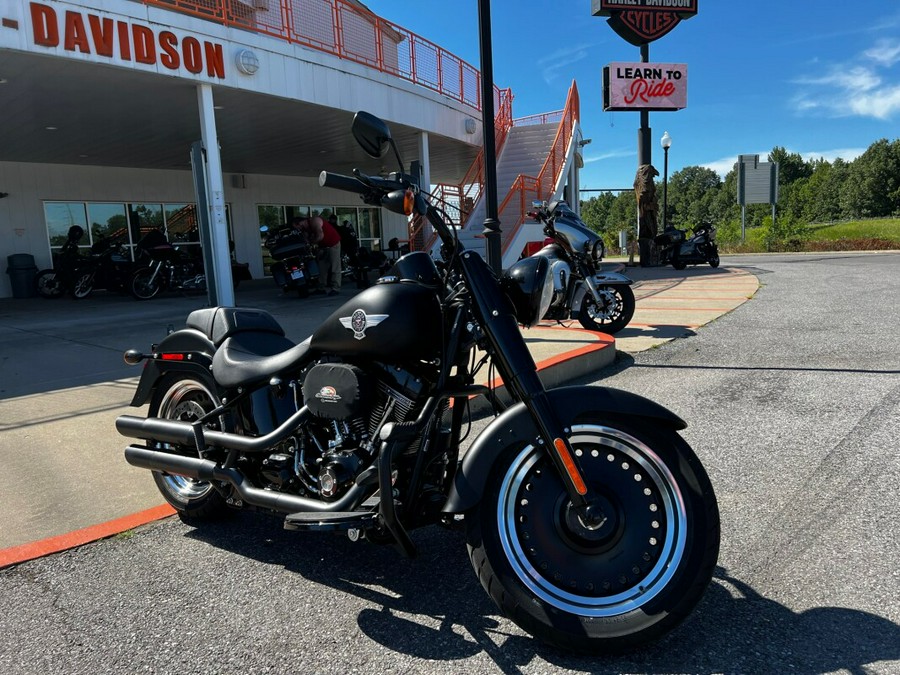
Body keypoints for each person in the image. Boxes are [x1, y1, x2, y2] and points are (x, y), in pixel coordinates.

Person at [299, 215, 341, 295]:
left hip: (333, 244)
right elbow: (306, 239)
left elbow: (320, 236)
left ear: (300, 223)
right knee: (321, 267)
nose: (298, 229)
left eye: (297, 227)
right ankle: (321, 288)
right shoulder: (305, 228)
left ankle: (336, 288)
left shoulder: (315, 221)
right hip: (322, 246)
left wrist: (312, 243)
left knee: (335, 267)